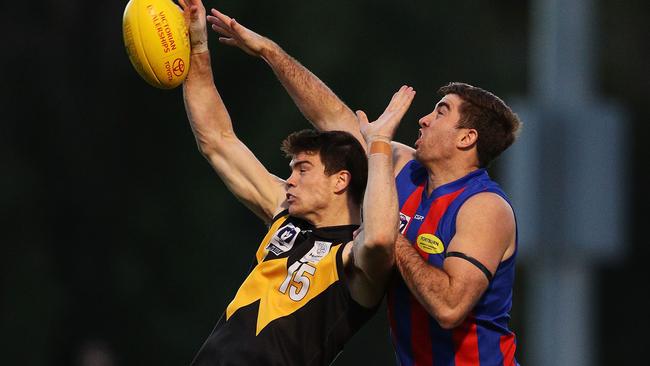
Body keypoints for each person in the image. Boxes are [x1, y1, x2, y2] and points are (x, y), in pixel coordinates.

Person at [207, 8, 522, 365]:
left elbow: (449, 307)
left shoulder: (484, 207)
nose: (424, 118)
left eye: (441, 112)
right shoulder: (403, 169)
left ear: (467, 138)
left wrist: (386, 232)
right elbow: (332, 117)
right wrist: (270, 53)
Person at [178, 1, 416, 365]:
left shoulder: (355, 257)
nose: (288, 180)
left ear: (340, 180)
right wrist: (197, 46)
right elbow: (217, 140)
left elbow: (383, 238)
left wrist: (379, 143)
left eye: (302, 169)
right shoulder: (284, 216)